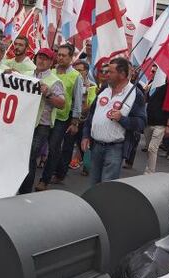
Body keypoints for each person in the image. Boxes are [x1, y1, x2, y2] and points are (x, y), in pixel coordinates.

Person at [81, 57, 146, 186]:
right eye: (105, 72)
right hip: (96, 146)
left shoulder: (135, 94)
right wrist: (86, 135)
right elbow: (92, 115)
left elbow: (141, 123)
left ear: (122, 74)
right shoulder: (104, 89)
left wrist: (122, 119)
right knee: (93, 184)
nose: (106, 75)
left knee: (106, 186)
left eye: (110, 72)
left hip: (115, 148)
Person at [35, 44, 82, 190]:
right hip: (45, 117)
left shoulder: (76, 76)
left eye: (63, 55)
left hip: (61, 118)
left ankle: (45, 180)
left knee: (54, 148)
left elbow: (77, 100)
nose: (60, 57)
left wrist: (75, 122)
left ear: (71, 57)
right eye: (58, 55)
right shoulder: (51, 71)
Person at [18, 48, 65, 194]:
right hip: (24, 122)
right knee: (21, 156)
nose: (41, 60)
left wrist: (48, 93)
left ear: (51, 62)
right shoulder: (26, 75)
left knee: (30, 157)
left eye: (46, 58)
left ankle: (25, 191)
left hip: (41, 126)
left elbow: (61, 103)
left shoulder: (55, 81)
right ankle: (17, 186)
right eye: (40, 57)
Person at [143, 83, 169, 174]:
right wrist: (146, 92)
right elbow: (147, 101)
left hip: (160, 124)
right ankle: (149, 167)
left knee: (152, 148)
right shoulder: (154, 85)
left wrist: (168, 126)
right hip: (149, 121)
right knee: (149, 147)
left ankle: (150, 172)